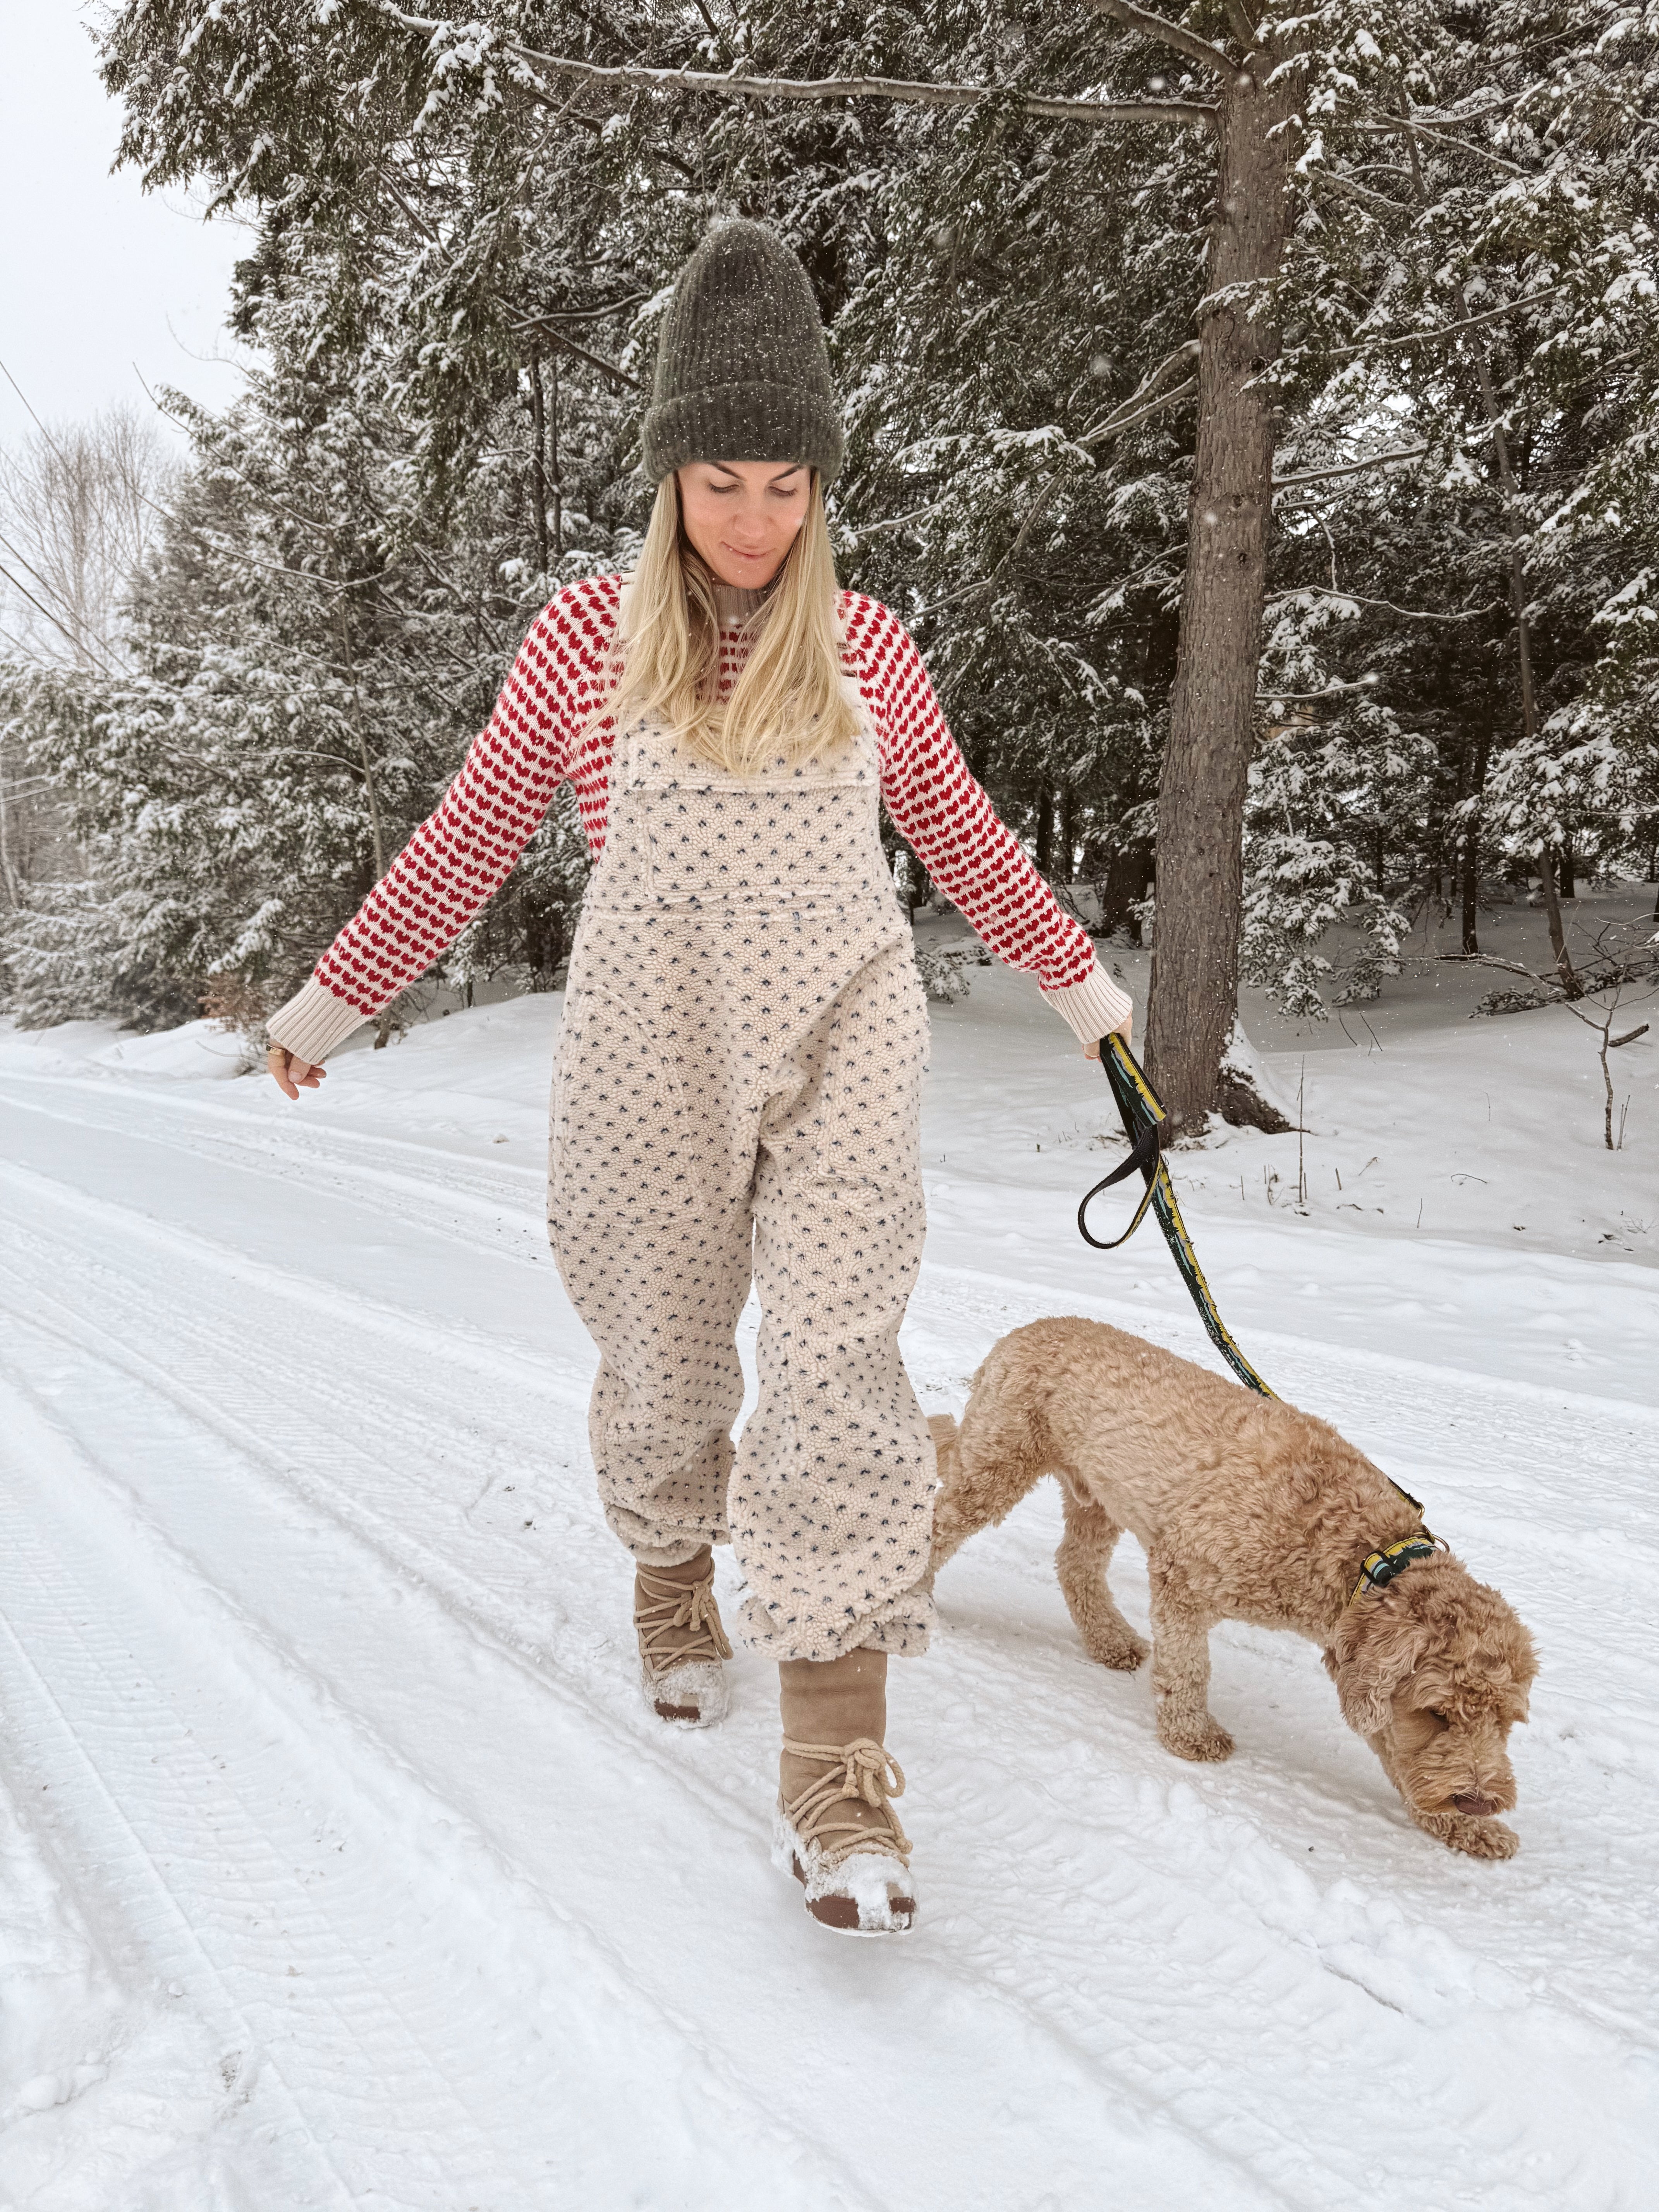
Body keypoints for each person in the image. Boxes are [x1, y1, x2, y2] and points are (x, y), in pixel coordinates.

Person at [265, 220, 1133, 1936]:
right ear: (670, 475)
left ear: (822, 489)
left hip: (841, 1032)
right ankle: (674, 1575)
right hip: (648, 1042)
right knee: (662, 1344)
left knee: (835, 1364)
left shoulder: (869, 651)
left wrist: (1089, 997)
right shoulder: (586, 640)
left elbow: (961, 838)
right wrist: (327, 1005)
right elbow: (469, 840)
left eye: (787, 488)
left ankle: (837, 1765)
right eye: (722, 482)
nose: (754, 522)